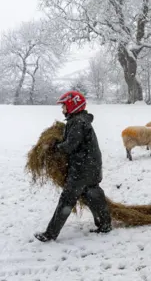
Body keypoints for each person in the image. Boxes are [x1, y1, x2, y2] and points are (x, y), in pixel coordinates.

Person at [34, 91, 112, 242]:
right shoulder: (82, 120)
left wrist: (53, 147)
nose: (62, 108)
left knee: (67, 200)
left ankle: (50, 234)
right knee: (93, 194)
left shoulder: (77, 122)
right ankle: (105, 224)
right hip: (92, 165)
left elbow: (70, 145)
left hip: (81, 168)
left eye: (64, 105)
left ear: (72, 105)